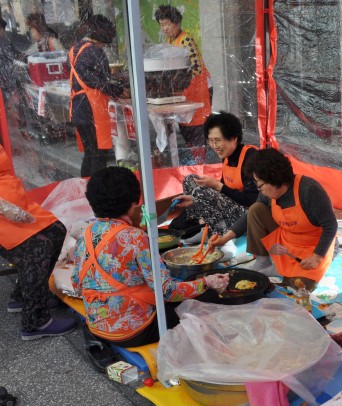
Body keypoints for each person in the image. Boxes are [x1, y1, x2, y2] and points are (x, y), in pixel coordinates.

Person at [71, 166, 229, 348]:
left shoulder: (86, 234)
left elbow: (77, 282)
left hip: (96, 326)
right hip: (135, 332)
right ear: (134, 200)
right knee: (208, 296)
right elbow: (167, 291)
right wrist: (207, 282)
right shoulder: (135, 237)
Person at [209, 148, 337, 290]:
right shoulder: (268, 193)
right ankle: (263, 262)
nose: (260, 190)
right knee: (256, 209)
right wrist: (225, 238)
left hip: (312, 247)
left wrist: (317, 256)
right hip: (286, 240)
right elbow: (249, 216)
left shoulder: (309, 190)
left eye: (260, 184)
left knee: (300, 286)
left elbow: (331, 226)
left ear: (273, 178)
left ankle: (281, 268)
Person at [0, 144, 77, 340]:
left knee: (56, 229)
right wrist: (5, 207)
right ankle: (36, 322)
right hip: (4, 211)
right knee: (38, 246)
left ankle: (24, 297)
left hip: (15, 205)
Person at [171, 112, 258, 242]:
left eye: (217, 140)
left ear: (234, 138)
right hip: (229, 207)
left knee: (203, 191)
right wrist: (194, 198)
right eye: (211, 141)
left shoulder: (250, 157)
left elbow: (251, 199)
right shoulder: (227, 156)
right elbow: (224, 192)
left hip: (246, 215)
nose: (214, 146)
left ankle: (221, 237)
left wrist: (216, 186)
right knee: (190, 180)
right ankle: (201, 225)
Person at [68, 14, 127, 177]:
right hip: (90, 108)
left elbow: (90, 77)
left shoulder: (76, 48)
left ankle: (85, 189)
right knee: (99, 154)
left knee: (90, 153)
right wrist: (121, 91)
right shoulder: (95, 51)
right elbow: (101, 82)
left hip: (78, 107)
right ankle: (96, 191)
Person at [154, 5, 211, 156]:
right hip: (185, 92)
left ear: (177, 23)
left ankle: (200, 164)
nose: (164, 28)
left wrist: (178, 83)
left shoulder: (185, 40)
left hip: (197, 90)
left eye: (167, 24)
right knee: (187, 129)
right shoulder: (170, 40)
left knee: (196, 130)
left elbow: (196, 68)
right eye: (161, 25)